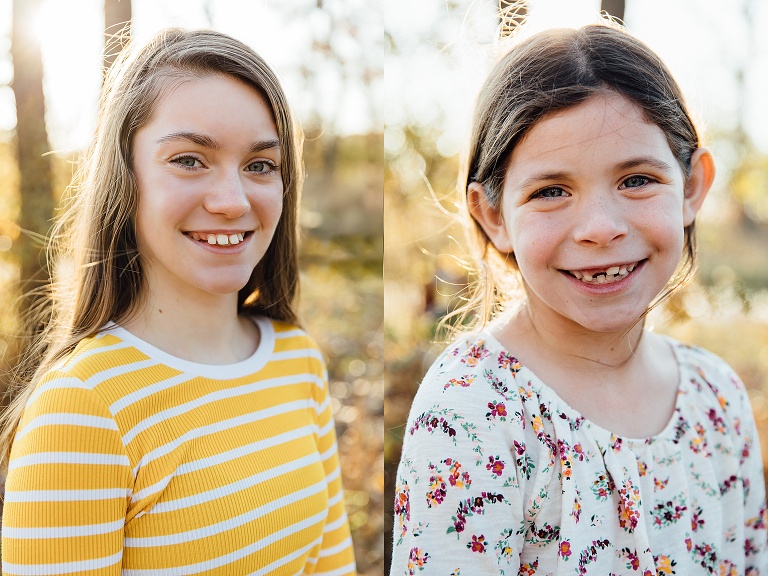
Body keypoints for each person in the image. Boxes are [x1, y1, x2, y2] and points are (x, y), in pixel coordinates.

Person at [392, 21, 767, 575]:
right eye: (551, 191)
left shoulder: (717, 401)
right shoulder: (472, 411)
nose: (599, 227)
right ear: (493, 216)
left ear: (691, 187)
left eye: (636, 179)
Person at [0, 28, 356, 575]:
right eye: (190, 159)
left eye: (261, 165)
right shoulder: (83, 407)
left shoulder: (297, 359)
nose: (233, 202)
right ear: (126, 178)